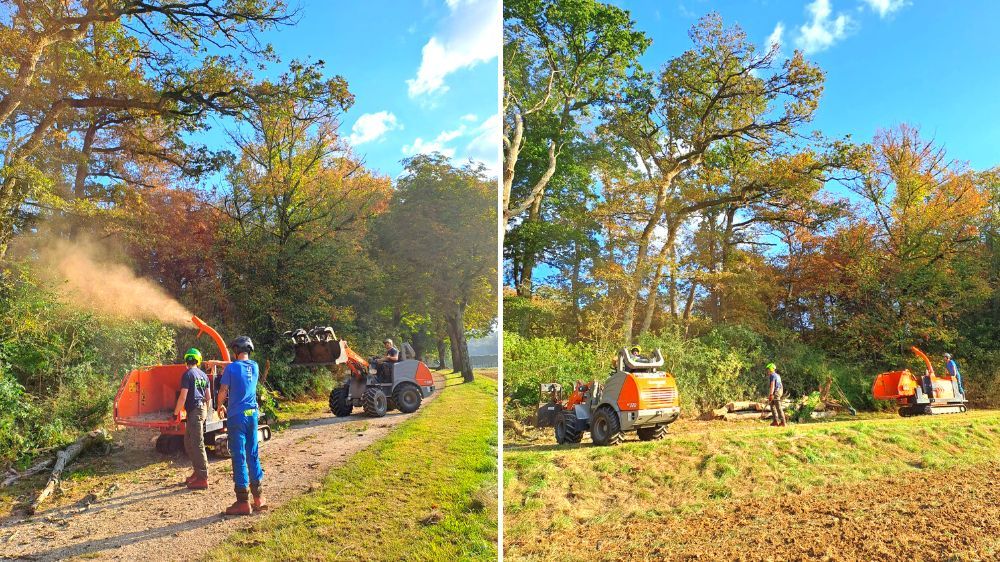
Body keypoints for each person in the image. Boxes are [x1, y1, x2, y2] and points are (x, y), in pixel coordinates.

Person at [216, 336, 266, 515]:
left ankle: (242, 502)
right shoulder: (255, 366)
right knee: (253, 453)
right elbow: (239, 370)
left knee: (239, 456)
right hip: (253, 415)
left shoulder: (231, 368)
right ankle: (259, 498)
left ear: (235, 350)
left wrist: (219, 405)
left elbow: (223, 390)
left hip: (237, 416)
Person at [173, 348, 210, 490]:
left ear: (187, 359)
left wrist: (176, 413)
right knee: (188, 442)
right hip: (199, 410)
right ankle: (197, 471)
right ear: (198, 360)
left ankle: (203, 478)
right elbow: (208, 397)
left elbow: (183, 396)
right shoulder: (203, 375)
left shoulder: (187, 374)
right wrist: (207, 413)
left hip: (195, 411)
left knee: (197, 444)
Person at [767, 363, 787, 427]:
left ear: (772, 369)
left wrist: (771, 394)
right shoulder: (777, 375)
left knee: (778, 407)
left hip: (776, 392)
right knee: (772, 405)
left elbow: (772, 386)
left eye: (768, 369)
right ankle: (775, 421)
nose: (767, 371)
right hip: (779, 391)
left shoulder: (772, 375)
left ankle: (783, 422)